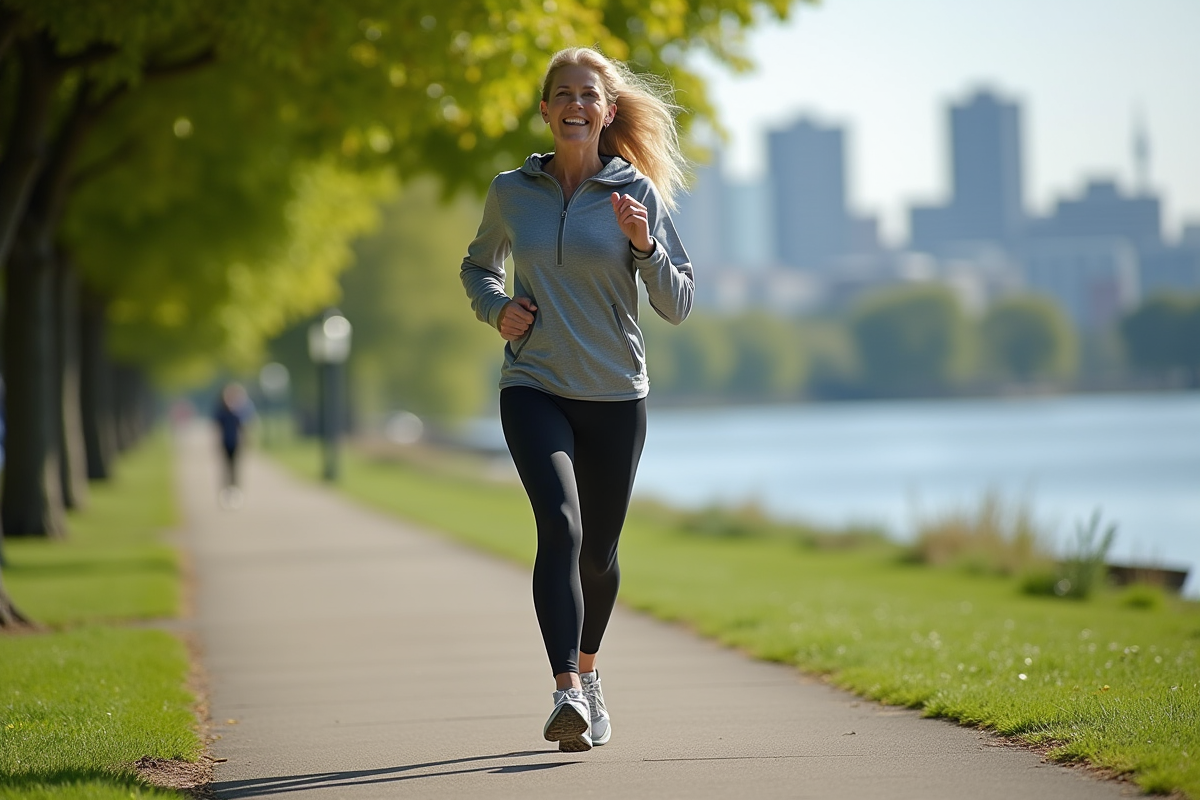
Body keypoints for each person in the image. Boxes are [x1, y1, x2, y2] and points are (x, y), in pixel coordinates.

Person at [460, 47, 693, 752]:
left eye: (588, 94)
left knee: (598, 552)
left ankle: (590, 674)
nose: (575, 104)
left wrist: (645, 246)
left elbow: (678, 303)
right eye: (562, 93)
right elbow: (478, 264)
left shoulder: (635, 194)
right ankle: (565, 691)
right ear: (545, 109)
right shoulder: (511, 191)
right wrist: (494, 307)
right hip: (533, 385)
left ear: (607, 111)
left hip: (615, 397)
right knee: (558, 525)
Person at [213, 383, 253, 508]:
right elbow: (216, 429)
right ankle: (225, 493)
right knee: (226, 468)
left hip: (236, 443)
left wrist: (247, 441)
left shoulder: (237, 412)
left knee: (235, 469)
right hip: (225, 443)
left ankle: (235, 493)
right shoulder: (221, 412)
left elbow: (244, 428)